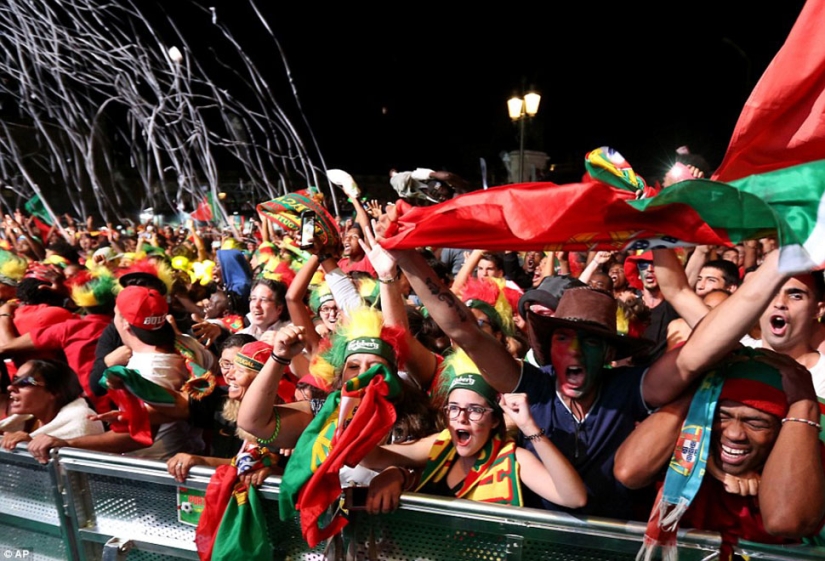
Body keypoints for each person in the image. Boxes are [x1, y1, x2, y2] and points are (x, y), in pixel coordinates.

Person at [614, 348, 825, 557]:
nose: (734, 434)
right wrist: (699, 389)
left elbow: (785, 521)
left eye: (755, 423)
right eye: (722, 416)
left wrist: (803, 405)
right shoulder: (685, 440)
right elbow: (628, 472)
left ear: (782, 428)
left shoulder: (808, 452)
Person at [361, 351, 586, 513]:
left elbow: (574, 498)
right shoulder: (442, 444)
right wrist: (395, 473)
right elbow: (373, 458)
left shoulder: (515, 458)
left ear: (495, 420)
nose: (461, 417)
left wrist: (530, 428)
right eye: (454, 408)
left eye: (475, 410)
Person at [1, 359, 103, 451]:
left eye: (25, 382)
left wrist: (26, 447)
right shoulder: (26, 422)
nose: (10, 387)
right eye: (15, 379)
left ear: (54, 392)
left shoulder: (82, 420)